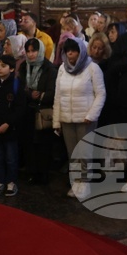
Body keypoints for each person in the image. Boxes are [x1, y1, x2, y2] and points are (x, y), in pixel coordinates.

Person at [54, 38, 106, 198]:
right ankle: (76, 181)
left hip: (85, 119)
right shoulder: (62, 68)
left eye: (73, 50)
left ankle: (85, 182)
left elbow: (101, 94)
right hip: (67, 118)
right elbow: (58, 96)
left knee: (85, 153)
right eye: (67, 51)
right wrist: (56, 121)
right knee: (73, 153)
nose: (70, 54)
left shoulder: (92, 68)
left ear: (81, 51)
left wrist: (92, 115)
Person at [0, 55, 26, 197]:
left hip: (10, 129)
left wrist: (8, 123)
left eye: (3, 66)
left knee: (11, 158)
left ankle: (11, 182)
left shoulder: (16, 85)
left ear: (12, 68)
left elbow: (20, 108)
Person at [19, 38, 58, 185]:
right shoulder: (24, 66)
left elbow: (53, 92)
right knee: (29, 143)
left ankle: (43, 173)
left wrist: (40, 95)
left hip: (43, 111)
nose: (31, 54)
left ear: (40, 50)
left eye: (34, 51)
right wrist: (30, 94)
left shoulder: (49, 68)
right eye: (28, 51)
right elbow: (21, 87)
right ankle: (32, 172)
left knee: (43, 144)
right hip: (27, 110)